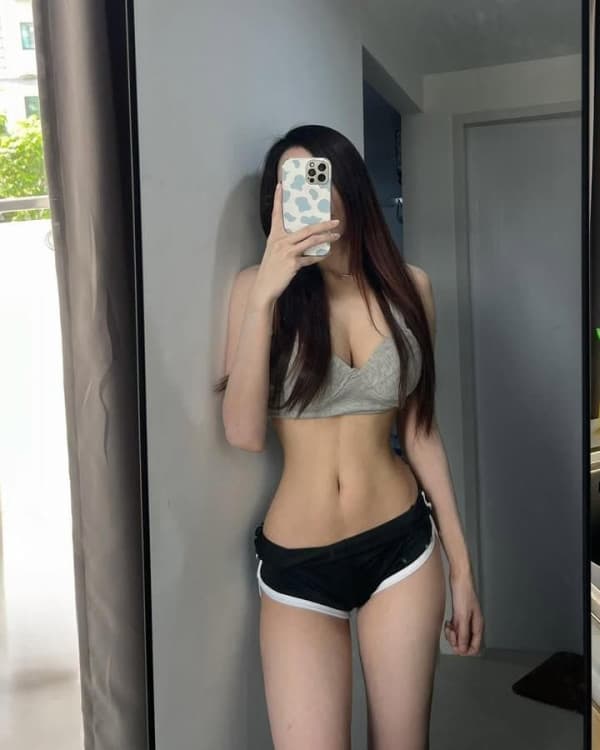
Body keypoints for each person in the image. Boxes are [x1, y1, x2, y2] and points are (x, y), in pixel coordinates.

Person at [215, 124, 484, 750]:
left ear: (348, 186)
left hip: (402, 549)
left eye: (316, 178)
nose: (304, 198)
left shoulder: (410, 288)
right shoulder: (255, 290)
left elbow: (420, 430)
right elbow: (244, 433)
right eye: (288, 187)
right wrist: (266, 294)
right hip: (299, 567)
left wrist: (463, 568)